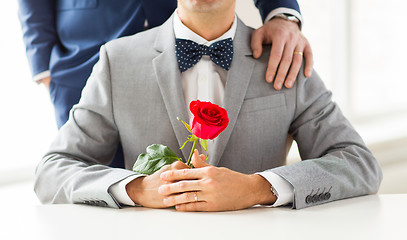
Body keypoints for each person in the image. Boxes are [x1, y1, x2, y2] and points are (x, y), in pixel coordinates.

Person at [34, 0, 382, 211]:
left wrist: (257, 189)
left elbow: (359, 164)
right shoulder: (117, 62)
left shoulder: (284, 60)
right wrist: (138, 189)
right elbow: (52, 171)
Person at [18, 0, 312, 129]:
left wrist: (281, 13)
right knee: (93, 189)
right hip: (83, 57)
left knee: (183, 185)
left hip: (186, 47)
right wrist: (43, 67)